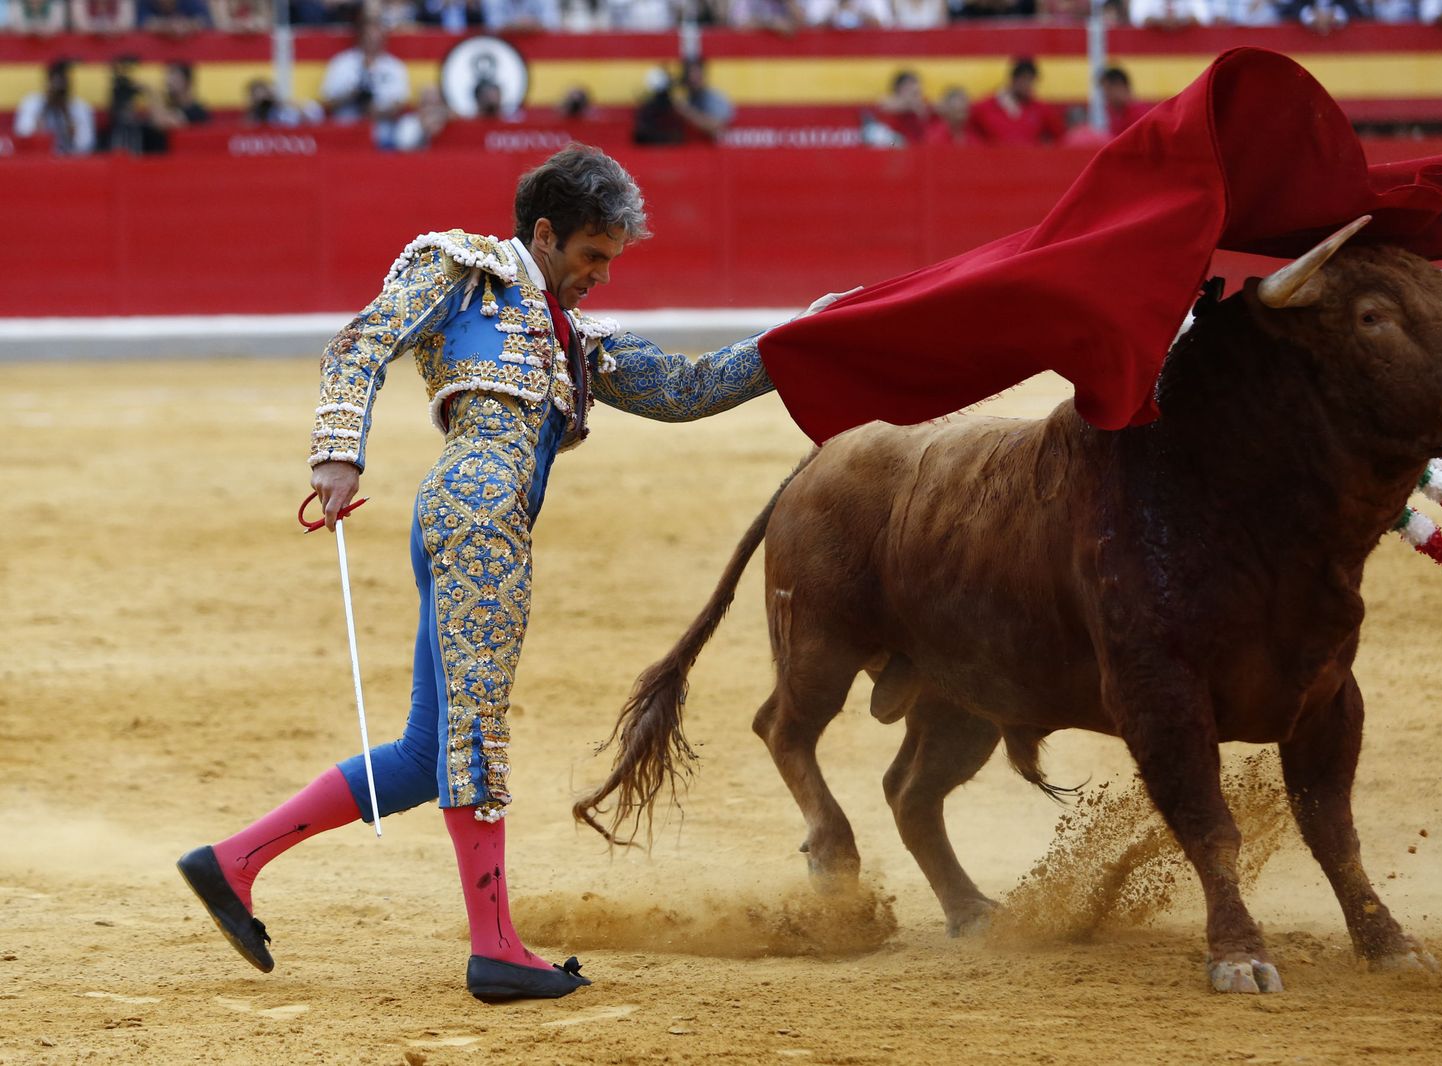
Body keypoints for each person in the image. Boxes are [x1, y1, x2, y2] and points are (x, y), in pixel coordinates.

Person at [177, 144, 844, 1004]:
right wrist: (337, 454)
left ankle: (232, 863)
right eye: (592, 255)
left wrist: (797, 335)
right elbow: (361, 342)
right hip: (478, 516)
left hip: (479, 523)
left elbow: (688, 387)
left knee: (428, 754)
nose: (600, 275)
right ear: (544, 231)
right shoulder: (463, 269)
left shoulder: (579, 339)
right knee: (476, 734)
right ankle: (495, 948)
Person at [319, 17, 411, 123]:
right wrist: (351, 95)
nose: (372, 41)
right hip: (347, 122)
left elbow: (399, 103)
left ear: (384, 38)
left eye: (377, 36)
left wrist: (375, 111)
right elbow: (327, 102)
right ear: (360, 37)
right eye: (368, 36)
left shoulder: (395, 66)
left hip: (382, 124)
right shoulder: (342, 63)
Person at [969, 57, 1063, 145]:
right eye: (1024, 78)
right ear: (1013, 79)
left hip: (1030, 161)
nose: (1028, 84)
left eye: (1031, 80)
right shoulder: (984, 107)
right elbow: (967, 134)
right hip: (993, 161)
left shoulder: (1041, 109)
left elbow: (1061, 137)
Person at [13, 57, 94, 154]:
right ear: (46, 83)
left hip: (71, 161)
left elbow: (86, 145)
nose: (57, 90)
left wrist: (66, 114)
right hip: (40, 160)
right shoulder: (32, 103)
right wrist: (44, 110)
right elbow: (22, 135)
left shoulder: (80, 107)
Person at [1098, 66, 1151, 137]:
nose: (1105, 95)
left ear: (1120, 86)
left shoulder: (1141, 114)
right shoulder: (1114, 114)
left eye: (1108, 90)